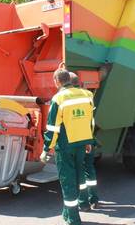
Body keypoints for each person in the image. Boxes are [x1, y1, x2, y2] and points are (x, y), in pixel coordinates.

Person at [40, 69, 94, 225]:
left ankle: (73, 219)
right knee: (78, 177)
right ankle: (67, 213)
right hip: (82, 143)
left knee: (67, 181)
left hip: (65, 145)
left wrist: (46, 149)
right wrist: (89, 141)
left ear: (57, 81)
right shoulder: (86, 95)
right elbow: (89, 120)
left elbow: (53, 128)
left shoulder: (58, 98)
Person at [69, 72, 99, 211]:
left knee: (79, 172)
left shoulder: (65, 97)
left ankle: (83, 203)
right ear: (79, 83)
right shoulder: (88, 95)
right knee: (89, 169)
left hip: (76, 140)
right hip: (89, 137)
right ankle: (94, 199)